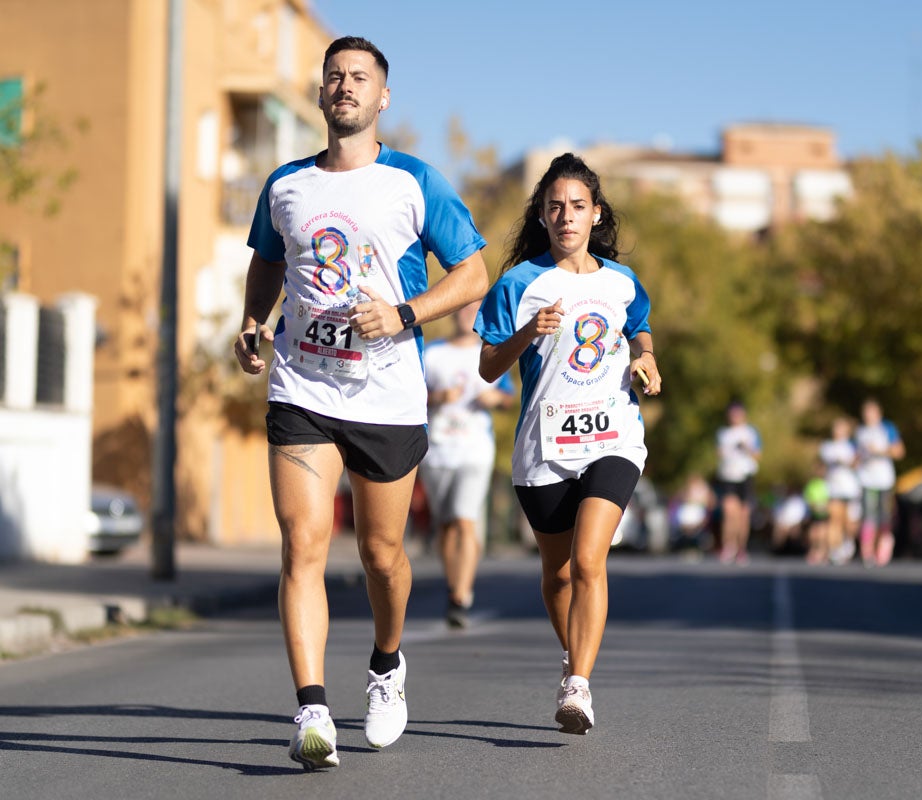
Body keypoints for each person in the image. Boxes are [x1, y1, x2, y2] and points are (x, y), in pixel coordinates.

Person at [233, 36, 489, 770]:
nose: (344, 86)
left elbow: (471, 274)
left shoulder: (413, 181)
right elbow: (267, 264)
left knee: (382, 555)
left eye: (359, 78)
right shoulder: (285, 185)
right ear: (319, 95)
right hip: (302, 389)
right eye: (334, 76)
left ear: (382, 98)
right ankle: (311, 708)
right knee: (303, 545)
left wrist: (408, 313)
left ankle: (385, 665)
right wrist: (254, 323)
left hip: (387, 393)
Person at [475, 152, 661, 736]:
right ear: (542, 216)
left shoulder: (620, 281)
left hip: (613, 436)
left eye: (577, 206)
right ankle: (573, 654)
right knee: (557, 576)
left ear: (595, 213)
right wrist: (530, 331)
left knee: (588, 561)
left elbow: (639, 325)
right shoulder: (519, 284)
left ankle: (577, 685)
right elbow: (487, 366)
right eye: (554, 206)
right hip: (543, 446)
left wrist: (646, 358)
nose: (566, 216)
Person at [419, 300, 515, 628]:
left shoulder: (490, 353)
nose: (466, 316)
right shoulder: (431, 353)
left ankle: (461, 595)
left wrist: (495, 399)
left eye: (474, 311)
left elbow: (509, 396)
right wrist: (437, 398)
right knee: (445, 525)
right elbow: (410, 393)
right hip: (436, 449)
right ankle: (452, 586)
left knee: (465, 520)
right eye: (462, 309)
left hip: (475, 449)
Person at [855, 399, 905, 566]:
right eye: (865, 412)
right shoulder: (860, 432)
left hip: (884, 480)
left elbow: (899, 452)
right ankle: (867, 552)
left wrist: (880, 451)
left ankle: (884, 546)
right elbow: (856, 456)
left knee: (884, 517)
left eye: (871, 411)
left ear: (879, 413)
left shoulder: (887, 429)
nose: (868, 415)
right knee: (868, 516)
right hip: (866, 480)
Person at [714, 401, 761, 565]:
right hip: (728, 476)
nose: (735, 417)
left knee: (743, 516)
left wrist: (746, 447)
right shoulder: (723, 433)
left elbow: (757, 455)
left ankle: (741, 548)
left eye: (738, 413)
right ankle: (729, 546)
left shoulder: (751, 432)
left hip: (745, 476)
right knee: (729, 512)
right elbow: (719, 453)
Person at [820, 417, 860, 565]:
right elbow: (826, 461)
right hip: (834, 488)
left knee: (849, 522)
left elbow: (856, 463)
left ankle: (848, 542)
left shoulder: (853, 446)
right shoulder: (828, 446)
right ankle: (835, 550)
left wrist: (852, 461)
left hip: (850, 489)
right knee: (834, 519)